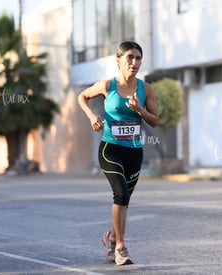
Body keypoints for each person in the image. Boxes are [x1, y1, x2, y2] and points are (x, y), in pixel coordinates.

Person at [78, 41, 158, 266]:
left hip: (134, 152)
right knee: (120, 195)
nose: (134, 63)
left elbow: (155, 120)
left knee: (125, 200)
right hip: (110, 149)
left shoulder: (146, 89)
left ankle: (110, 236)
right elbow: (82, 97)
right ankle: (120, 247)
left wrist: (140, 110)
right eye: (130, 58)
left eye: (138, 58)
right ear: (118, 61)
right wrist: (92, 117)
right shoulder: (106, 85)